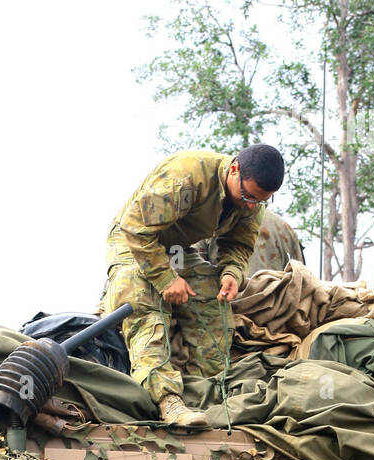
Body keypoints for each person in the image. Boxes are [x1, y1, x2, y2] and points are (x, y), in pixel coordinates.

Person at [103, 145, 285, 427]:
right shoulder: (186, 175)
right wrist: (165, 279)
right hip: (134, 243)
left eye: (261, 201)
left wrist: (231, 274)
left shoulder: (252, 202)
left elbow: (238, 246)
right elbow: (135, 230)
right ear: (234, 169)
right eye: (248, 196)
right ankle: (168, 402)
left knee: (215, 303)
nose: (251, 206)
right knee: (144, 306)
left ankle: (206, 394)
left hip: (177, 248)